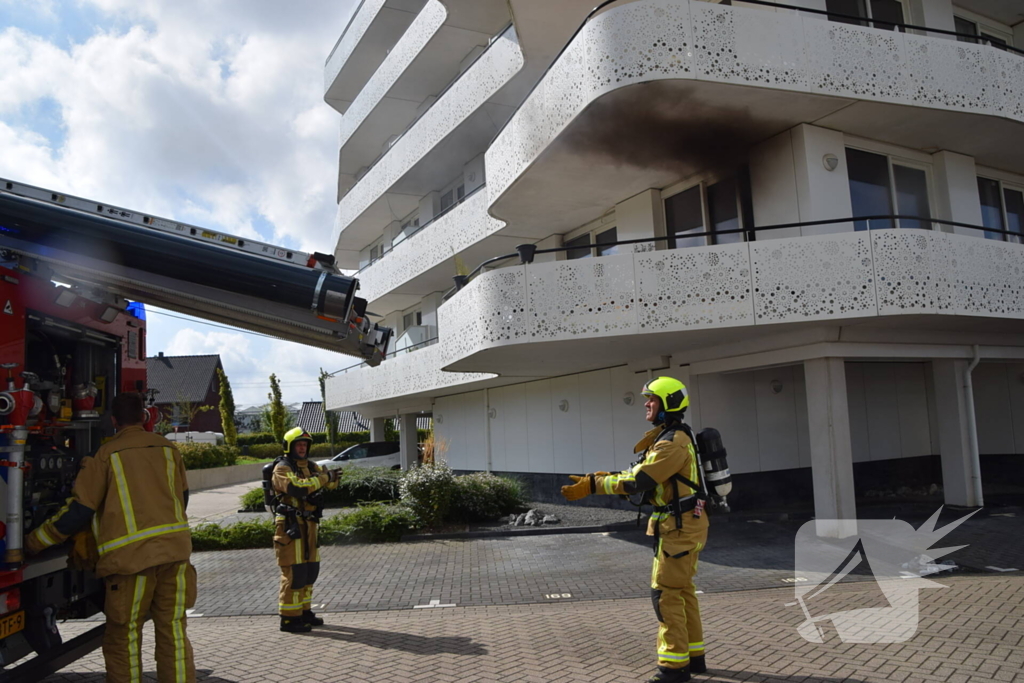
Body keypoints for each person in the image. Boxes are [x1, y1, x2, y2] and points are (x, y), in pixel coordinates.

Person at [27, 391, 196, 683]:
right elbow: (182, 497)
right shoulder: (169, 449)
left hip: (130, 564)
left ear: (114, 420)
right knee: (173, 633)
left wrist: (33, 542)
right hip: (176, 556)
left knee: (124, 638)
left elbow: (79, 511)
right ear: (144, 417)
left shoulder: (104, 456)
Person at [561, 376, 709, 683]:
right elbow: (639, 472)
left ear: (667, 405)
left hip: (678, 528)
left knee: (665, 594)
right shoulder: (674, 436)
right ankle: (694, 658)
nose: (646, 404)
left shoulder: (671, 443)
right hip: (683, 524)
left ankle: (673, 669)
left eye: (652, 399)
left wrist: (593, 485)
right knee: (682, 592)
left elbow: (639, 481)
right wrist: (608, 476)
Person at [271, 427, 339, 632]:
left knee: (310, 572)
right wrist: (325, 478)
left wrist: (332, 478)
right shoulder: (282, 468)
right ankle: (289, 619)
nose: (302, 448)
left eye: (305, 445)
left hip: (310, 525)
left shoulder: (310, 466)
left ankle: (304, 611)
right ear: (289, 447)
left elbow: (330, 485)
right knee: (295, 572)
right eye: (298, 444)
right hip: (290, 526)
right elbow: (298, 488)